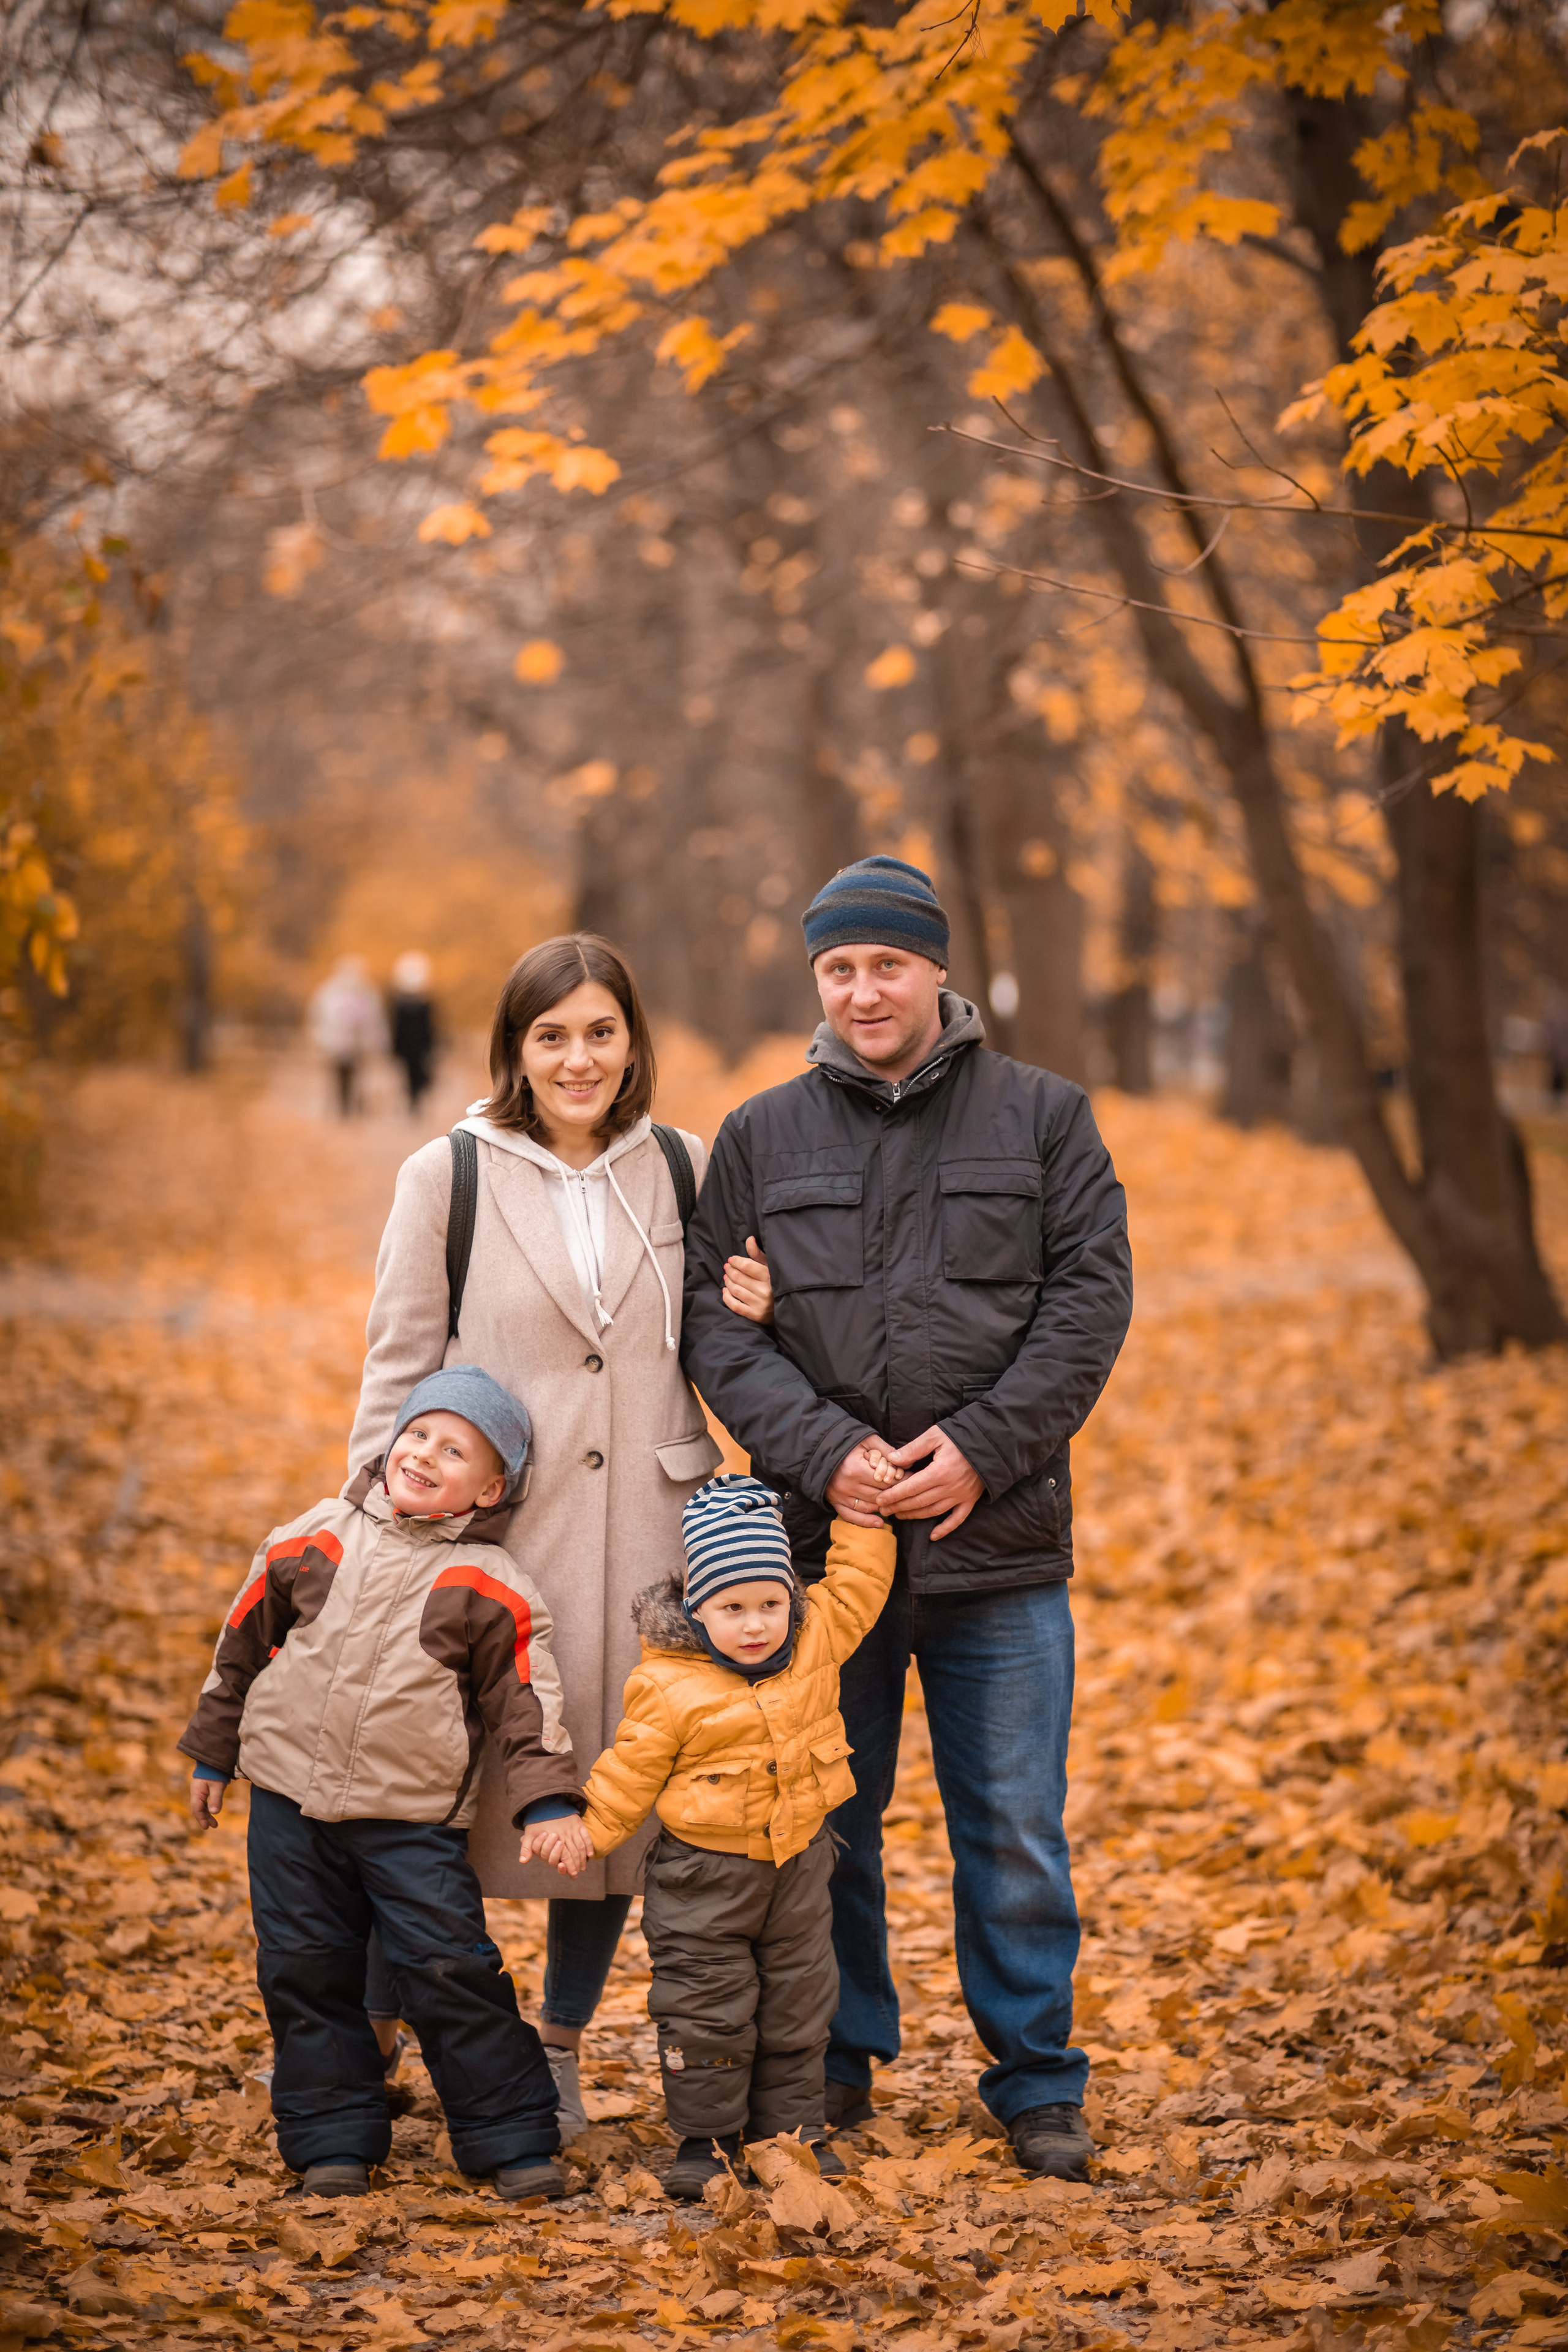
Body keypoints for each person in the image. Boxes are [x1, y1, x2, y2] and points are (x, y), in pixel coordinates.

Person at [680, 854, 1134, 2183]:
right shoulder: (761, 1136)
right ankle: (833, 2061)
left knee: (1012, 1828)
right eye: (838, 968)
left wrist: (979, 1453)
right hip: (829, 1562)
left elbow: (1087, 1305)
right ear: (813, 980)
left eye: (886, 963)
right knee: (829, 1817)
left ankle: (1035, 2080)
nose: (863, 990)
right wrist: (827, 1456)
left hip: (1000, 1553)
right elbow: (714, 1325)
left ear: (939, 968)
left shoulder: (1046, 1117)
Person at [344, 933, 774, 2141]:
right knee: (439, 1799)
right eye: (551, 1036)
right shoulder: (453, 1175)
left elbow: (724, 1346)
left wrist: (759, 1309)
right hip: (493, 1548)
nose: (577, 1058)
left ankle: (559, 2047)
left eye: (599, 1032)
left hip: (653, 1542)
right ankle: (372, 2035)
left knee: (611, 1810)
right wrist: (372, 1529)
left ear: (631, 1041)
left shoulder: (684, 1167)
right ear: (516, 1051)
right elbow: (397, 1367)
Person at [179, 1366, 581, 2202]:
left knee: (449, 1969)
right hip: (289, 1805)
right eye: (420, 1434)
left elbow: (527, 1700)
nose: (426, 1454)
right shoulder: (312, 1538)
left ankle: (509, 2138)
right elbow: (240, 1647)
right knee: (305, 1968)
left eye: (456, 1449)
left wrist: (547, 1801)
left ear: (493, 1486)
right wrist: (214, 1753)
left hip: (411, 1822)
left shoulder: (488, 1582)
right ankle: (332, 2139)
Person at [530, 1474, 896, 2200]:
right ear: (697, 1613)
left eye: (771, 1604)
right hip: (703, 1881)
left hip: (797, 1868)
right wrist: (587, 1832)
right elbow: (628, 1771)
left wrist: (867, 1516)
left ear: (793, 1601)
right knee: (705, 2012)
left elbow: (856, 1585)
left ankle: (790, 2138)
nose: (756, 1625)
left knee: (799, 2002)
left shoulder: (813, 1639)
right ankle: (706, 2139)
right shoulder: (668, 1683)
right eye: (733, 1608)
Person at [308, 954, 388, 1117]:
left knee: (356, 1077)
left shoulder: (367, 993)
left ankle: (352, 1108)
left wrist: (374, 1040)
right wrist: (323, 1038)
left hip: (358, 1045)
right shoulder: (329, 992)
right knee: (339, 1077)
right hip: (336, 1044)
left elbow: (374, 1020)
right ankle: (343, 1109)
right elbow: (319, 1017)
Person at [389, 951, 438, 1115]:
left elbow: (432, 1027)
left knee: (417, 1074)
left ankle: (415, 1100)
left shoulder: (421, 1004)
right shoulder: (402, 1004)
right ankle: (413, 1100)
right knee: (411, 1074)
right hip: (413, 1046)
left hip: (418, 1046)